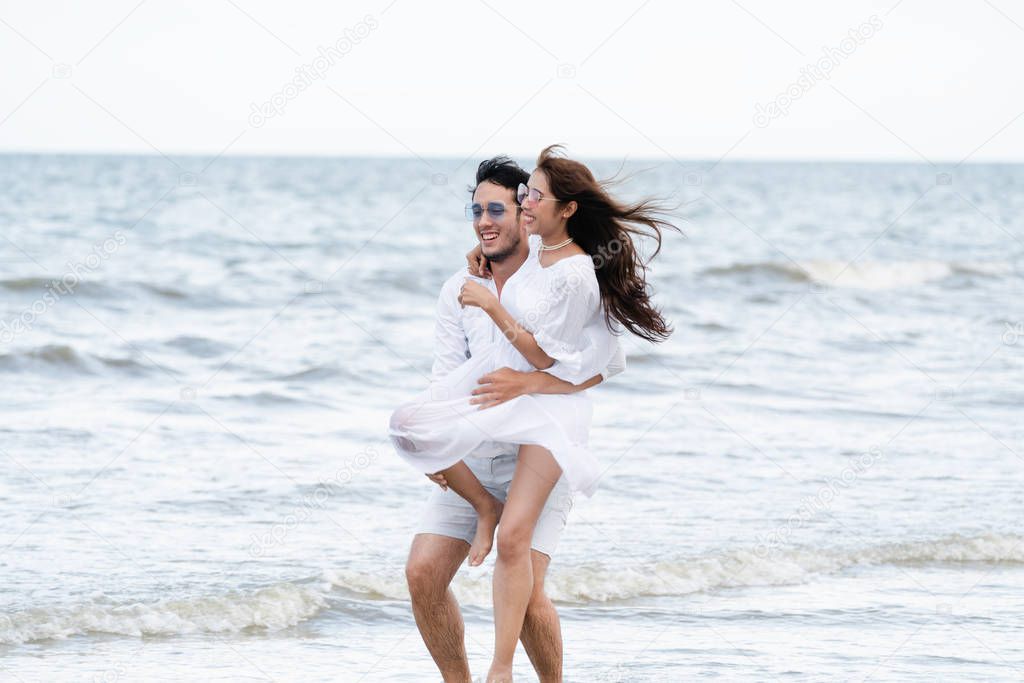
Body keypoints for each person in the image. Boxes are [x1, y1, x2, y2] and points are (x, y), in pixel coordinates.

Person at [405, 155, 624, 683]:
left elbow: (596, 369)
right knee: (422, 574)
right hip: (477, 454)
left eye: (497, 208)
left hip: (541, 449)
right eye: (476, 209)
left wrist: (527, 383)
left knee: (525, 596)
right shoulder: (459, 286)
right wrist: (440, 443)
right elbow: (445, 376)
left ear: (526, 212)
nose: (484, 220)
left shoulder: (556, 275)